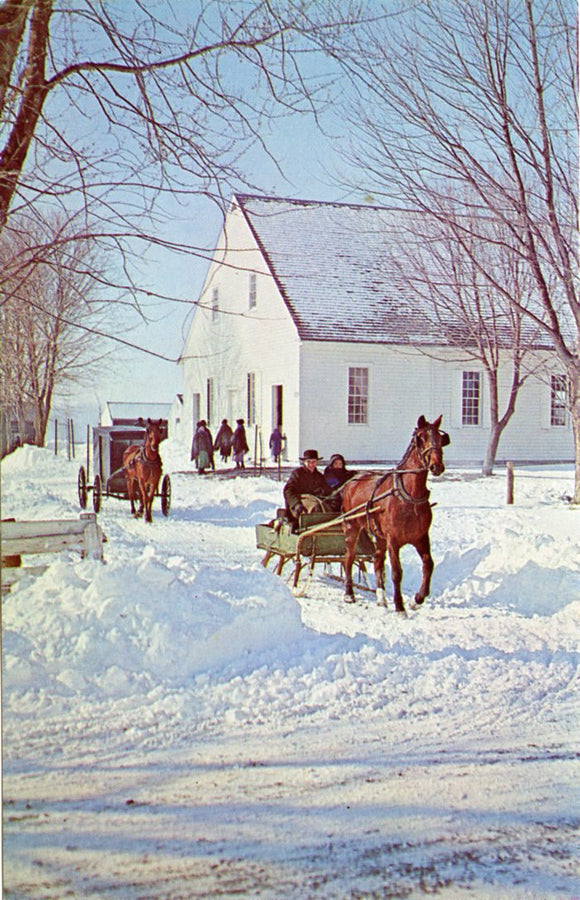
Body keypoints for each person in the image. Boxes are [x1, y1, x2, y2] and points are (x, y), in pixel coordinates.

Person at [283, 449, 333, 526]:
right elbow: (288, 491)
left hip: (315, 500)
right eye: (308, 462)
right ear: (304, 462)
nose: (311, 464)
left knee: (327, 509)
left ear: (317, 462)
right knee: (315, 508)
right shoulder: (297, 474)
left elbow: (326, 490)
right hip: (300, 502)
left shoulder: (319, 476)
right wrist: (296, 504)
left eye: (313, 462)